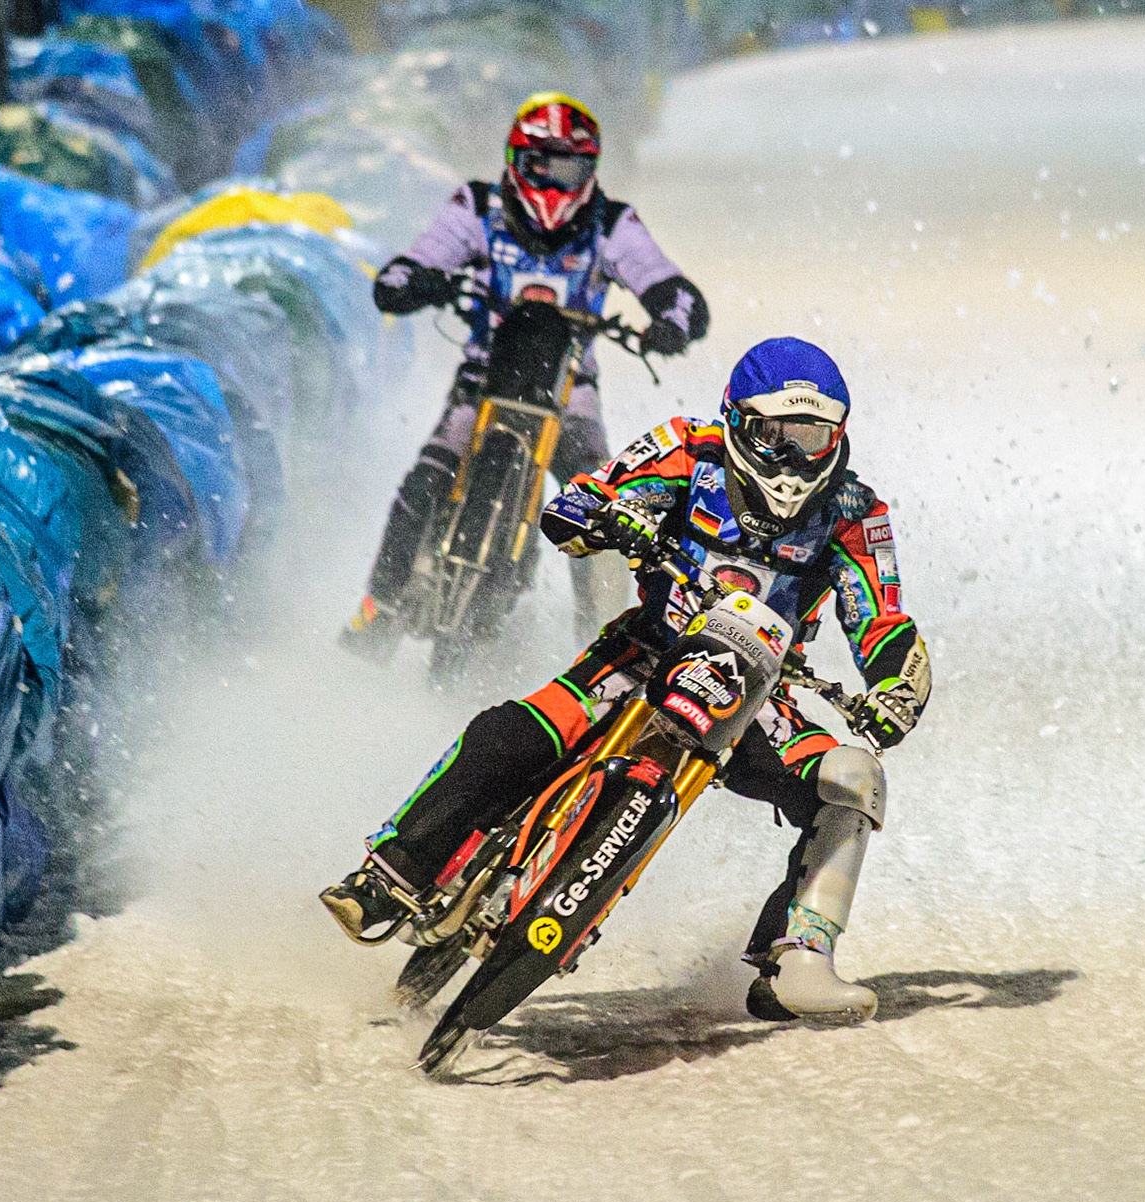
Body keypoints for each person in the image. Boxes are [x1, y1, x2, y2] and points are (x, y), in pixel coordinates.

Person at [322, 338, 932, 1022]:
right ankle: (388, 874)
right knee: (511, 735)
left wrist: (894, 688)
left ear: (838, 436)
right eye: (775, 435)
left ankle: (799, 958)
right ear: (736, 421)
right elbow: (594, 493)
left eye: (812, 437)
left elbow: (879, 616)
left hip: (763, 694)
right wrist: (600, 515)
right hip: (644, 653)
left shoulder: (854, 511)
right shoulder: (686, 447)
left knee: (853, 778)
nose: (793, 459)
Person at [341, 91, 710, 656]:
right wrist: (419, 281)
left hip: (570, 394)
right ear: (517, 160)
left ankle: (607, 644)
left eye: (572, 167)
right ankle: (378, 606)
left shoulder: (611, 223)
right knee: (426, 476)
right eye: (543, 164)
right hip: (482, 379)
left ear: (592, 170)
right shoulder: (476, 206)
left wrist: (670, 320)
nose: (557, 184)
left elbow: (675, 290)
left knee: (609, 509)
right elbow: (403, 271)